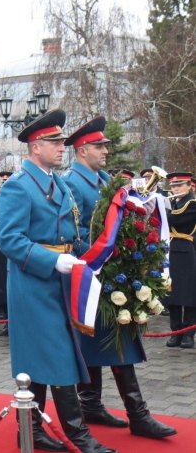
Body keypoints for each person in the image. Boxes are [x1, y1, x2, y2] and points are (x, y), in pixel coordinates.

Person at [0, 111, 116, 453]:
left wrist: (92, 256)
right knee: (59, 355)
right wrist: (54, 260)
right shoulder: (18, 187)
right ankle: (80, 437)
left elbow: (71, 233)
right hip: (33, 284)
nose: (62, 146)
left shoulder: (57, 182)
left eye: (62, 141)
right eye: (55, 142)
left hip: (61, 280)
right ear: (36, 147)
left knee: (40, 359)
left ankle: (32, 431)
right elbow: (10, 240)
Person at [64, 117, 175, 439]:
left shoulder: (104, 180)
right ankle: (130, 414)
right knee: (104, 341)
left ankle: (96, 405)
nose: (105, 151)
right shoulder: (72, 182)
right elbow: (74, 231)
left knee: (110, 340)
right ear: (82, 150)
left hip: (112, 271)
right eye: (99, 146)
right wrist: (105, 248)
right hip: (94, 272)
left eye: (105, 146)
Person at [165, 172, 196, 349]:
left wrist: (160, 206)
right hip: (171, 249)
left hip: (185, 249)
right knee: (172, 292)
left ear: (189, 185)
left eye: (179, 185)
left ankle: (188, 333)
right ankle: (175, 331)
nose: (175, 189)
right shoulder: (175, 202)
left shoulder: (192, 204)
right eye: (173, 186)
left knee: (189, 293)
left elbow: (173, 218)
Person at [0, 171, 12, 336]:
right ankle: (5, 318)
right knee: (1, 285)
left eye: (7, 179)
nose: (4, 182)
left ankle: (11, 321)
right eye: (2, 180)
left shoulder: (15, 194)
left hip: (12, 247)